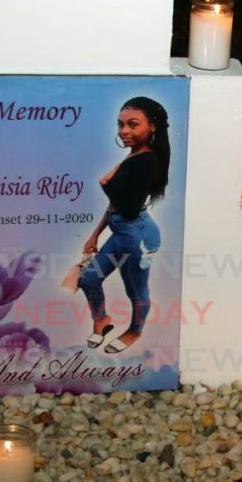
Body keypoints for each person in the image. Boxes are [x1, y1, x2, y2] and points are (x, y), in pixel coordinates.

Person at [79, 97, 170, 355]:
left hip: (137, 234)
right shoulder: (135, 156)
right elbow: (116, 208)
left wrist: (106, 184)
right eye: (120, 125)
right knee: (89, 279)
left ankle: (134, 331)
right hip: (121, 229)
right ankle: (101, 320)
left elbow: (128, 208)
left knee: (136, 290)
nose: (124, 131)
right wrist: (94, 235)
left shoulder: (148, 162)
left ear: (152, 126)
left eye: (132, 124)